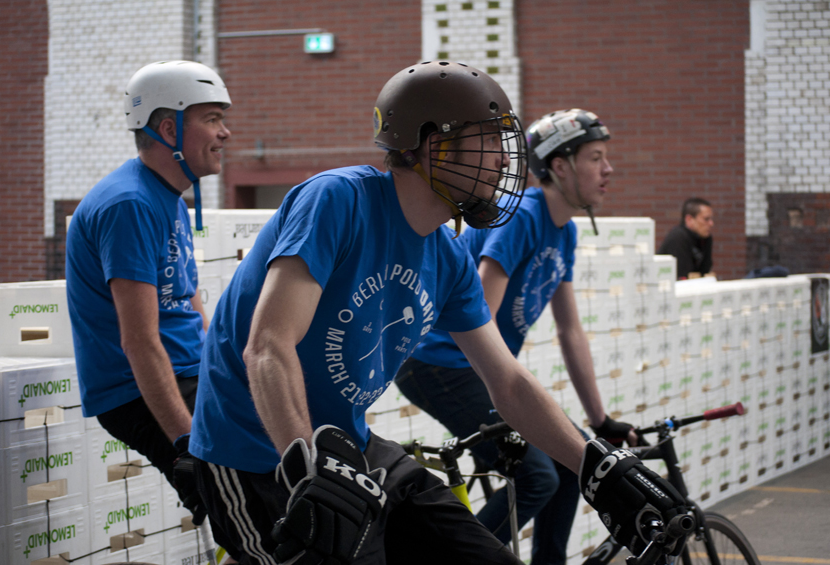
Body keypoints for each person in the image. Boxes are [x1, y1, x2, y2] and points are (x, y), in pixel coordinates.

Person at [188, 62, 686, 565]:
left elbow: (508, 382)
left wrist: (595, 467)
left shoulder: (449, 258)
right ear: (435, 145)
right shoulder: (338, 200)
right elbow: (268, 346)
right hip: (253, 458)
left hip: (352, 451)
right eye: (488, 140)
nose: (503, 160)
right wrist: (307, 466)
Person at [394, 109, 641, 565]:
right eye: (596, 158)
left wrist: (599, 420)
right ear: (560, 165)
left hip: (469, 368)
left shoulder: (564, 232)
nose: (608, 169)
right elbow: (480, 318)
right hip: (439, 363)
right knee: (537, 478)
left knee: (575, 463)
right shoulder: (522, 217)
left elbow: (570, 331)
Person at [66, 60, 231, 525]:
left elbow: (187, 296)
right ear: (169, 129)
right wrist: (187, 443)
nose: (225, 133)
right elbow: (139, 339)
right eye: (212, 119)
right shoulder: (130, 204)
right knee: (248, 503)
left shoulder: (166, 196)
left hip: (189, 370)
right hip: (141, 389)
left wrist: (222, 366)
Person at [657, 197, 714, 279]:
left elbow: (705, 271)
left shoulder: (705, 238)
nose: (711, 223)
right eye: (706, 219)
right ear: (689, 219)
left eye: (711, 219)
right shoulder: (678, 237)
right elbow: (682, 276)